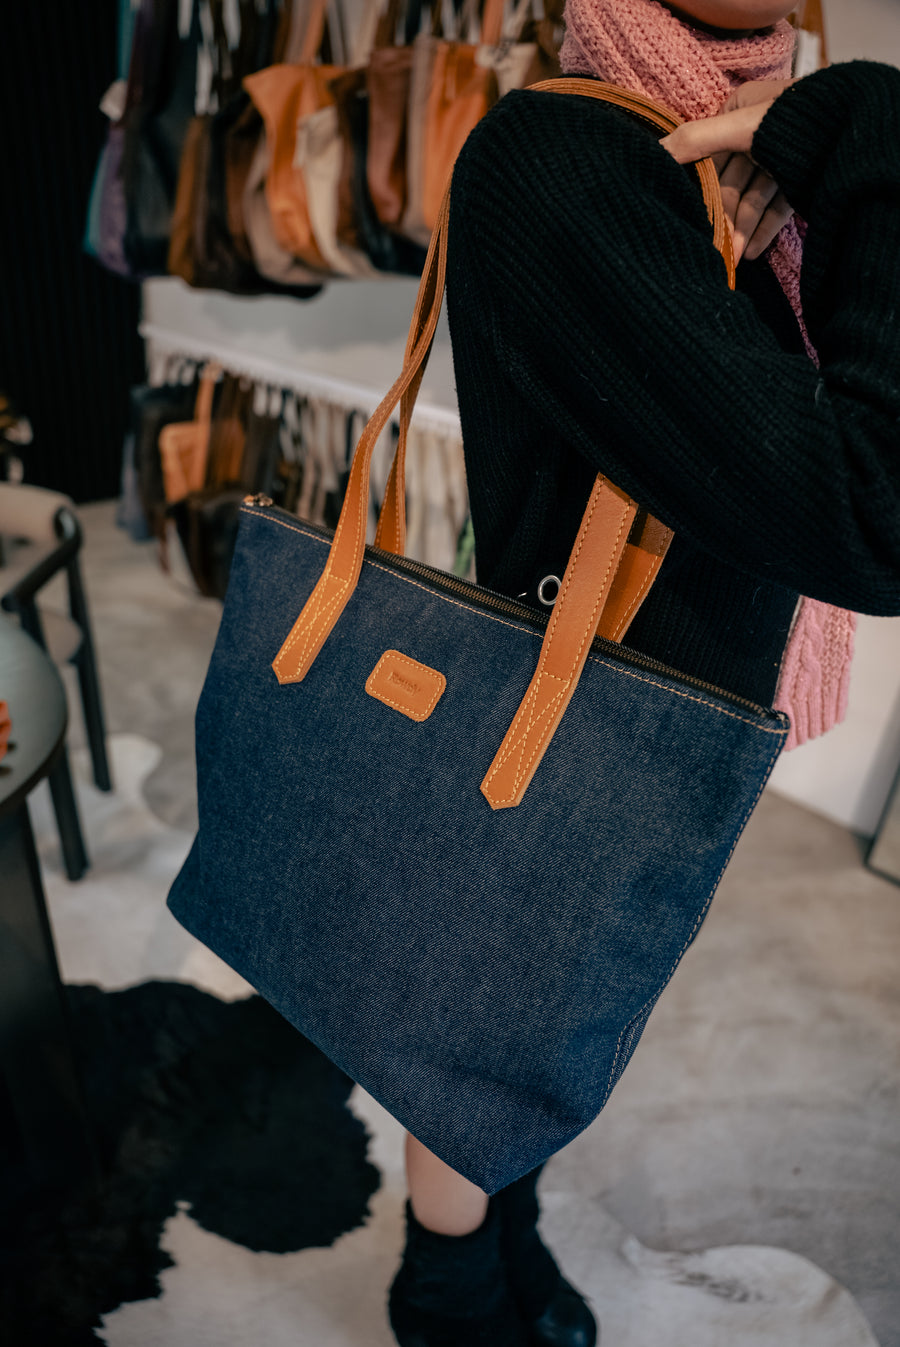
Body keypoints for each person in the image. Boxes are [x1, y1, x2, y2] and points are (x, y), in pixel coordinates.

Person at [386, 2, 900, 1345]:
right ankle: (442, 1289)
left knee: (545, 1025)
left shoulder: (744, 153)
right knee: (487, 1031)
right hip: (575, 709)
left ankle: (496, 1236)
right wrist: (874, 130)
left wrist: (819, 147)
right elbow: (873, 509)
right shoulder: (570, 159)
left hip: (665, 709)